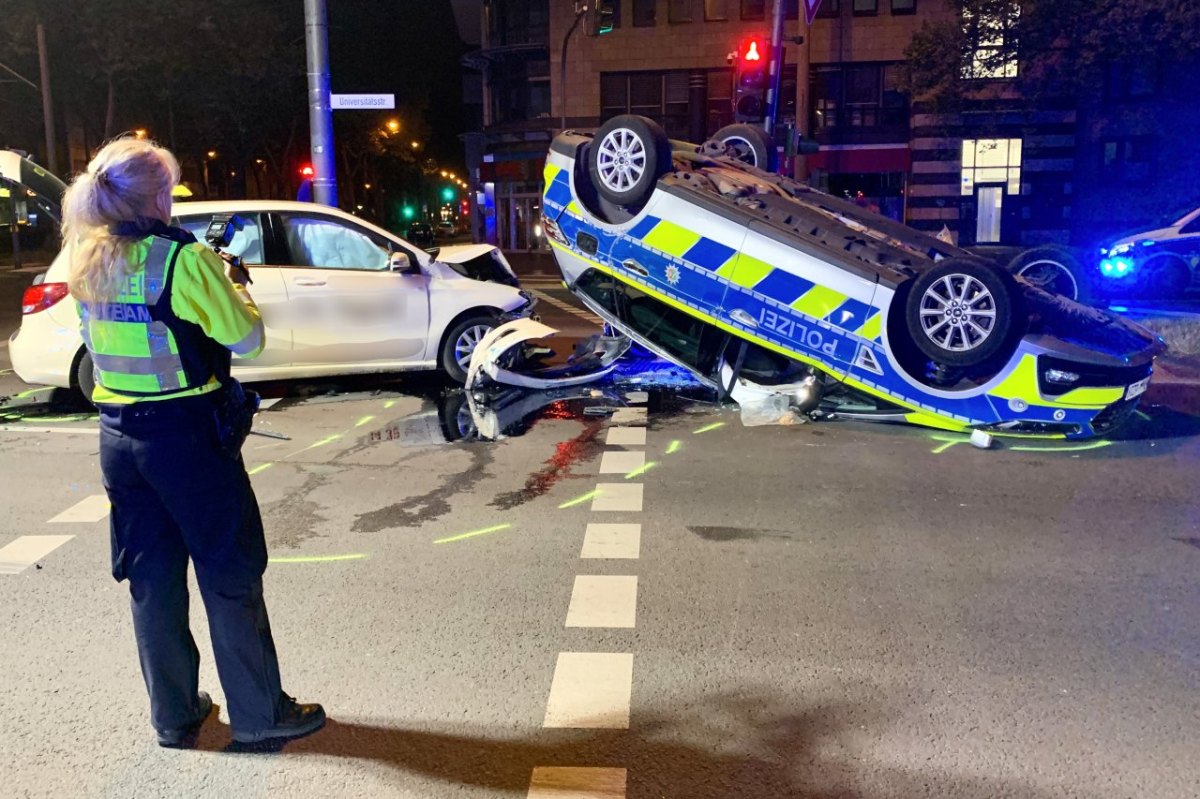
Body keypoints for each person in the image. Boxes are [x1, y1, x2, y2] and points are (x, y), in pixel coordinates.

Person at [61, 137, 325, 748]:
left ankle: (174, 716)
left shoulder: (84, 255)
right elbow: (247, 337)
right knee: (228, 573)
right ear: (158, 196)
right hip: (188, 440)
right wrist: (233, 284)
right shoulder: (181, 260)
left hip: (119, 442)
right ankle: (260, 714)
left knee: (152, 581)